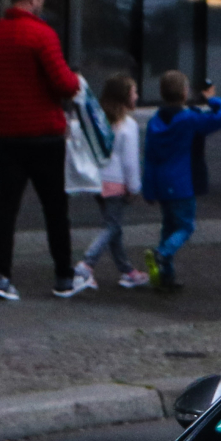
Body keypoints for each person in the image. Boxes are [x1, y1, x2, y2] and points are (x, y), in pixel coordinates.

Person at [0, 0, 88, 301]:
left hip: (6, 134)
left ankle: (2, 277)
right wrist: (76, 79)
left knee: (6, 207)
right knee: (55, 209)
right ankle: (63, 277)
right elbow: (64, 84)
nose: (42, 4)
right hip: (44, 134)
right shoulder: (41, 35)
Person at [140, 71, 221, 291]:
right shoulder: (189, 119)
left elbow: (149, 158)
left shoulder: (154, 122)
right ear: (184, 92)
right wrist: (213, 99)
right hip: (182, 183)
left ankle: (166, 276)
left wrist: (148, 189)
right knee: (186, 226)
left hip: (161, 184)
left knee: (168, 227)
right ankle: (162, 254)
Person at [81, 72, 148, 289]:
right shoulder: (127, 126)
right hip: (117, 183)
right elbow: (130, 162)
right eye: (134, 92)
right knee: (111, 227)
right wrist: (135, 187)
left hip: (97, 181)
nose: (137, 96)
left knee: (115, 229)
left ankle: (127, 270)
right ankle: (86, 264)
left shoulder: (100, 120)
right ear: (125, 97)